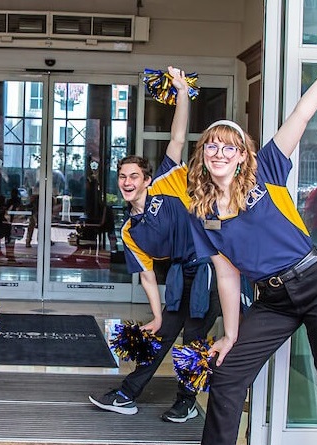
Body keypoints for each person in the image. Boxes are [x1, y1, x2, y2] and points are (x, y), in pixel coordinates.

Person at [174, 47, 317, 445]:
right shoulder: (202, 212)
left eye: (229, 146)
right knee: (229, 368)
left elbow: (302, 113)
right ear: (204, 157)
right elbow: (226, 271)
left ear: (242, 157)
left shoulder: (268, 175)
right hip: (274, 298)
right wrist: (232, 333)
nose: (219, 152)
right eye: (211, 146)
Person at [88, 67, 220, 423]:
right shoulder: (130, 230)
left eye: (134, 176)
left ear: (147, 179)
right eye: (122, 177)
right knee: (163, 334)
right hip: (180, 275)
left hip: (211, 269)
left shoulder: (165, 182)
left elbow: (177, 136)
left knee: (193, 338)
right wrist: (158, 314)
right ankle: (128, 394)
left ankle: (187, 401)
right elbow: (147, 276)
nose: (128, 181)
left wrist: (180, 91)